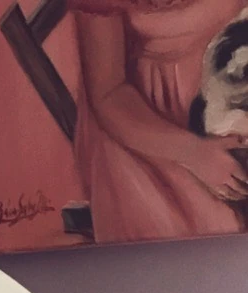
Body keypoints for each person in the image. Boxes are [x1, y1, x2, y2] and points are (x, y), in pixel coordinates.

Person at [69, 0, 248, 243]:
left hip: (230, 80)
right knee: (213, 234)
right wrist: (194, 153)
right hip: (143, 126)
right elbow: (108, 94)